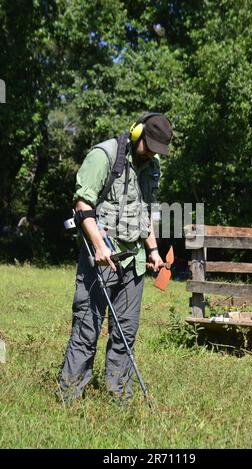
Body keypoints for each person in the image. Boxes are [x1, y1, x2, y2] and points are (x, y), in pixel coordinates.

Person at [57, 112, 173, 403]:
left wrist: (154, 251)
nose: (152, 155)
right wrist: (98, 245)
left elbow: (146, 211)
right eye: (149, 147)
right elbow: (83, 205)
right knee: (87, 329)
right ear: (137, 135)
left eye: (158, 151)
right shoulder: (103, 155)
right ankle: (68, 396)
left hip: (133, 262)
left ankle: (119, 398)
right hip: (102, 257)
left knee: (126, 332)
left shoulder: (153, 165)